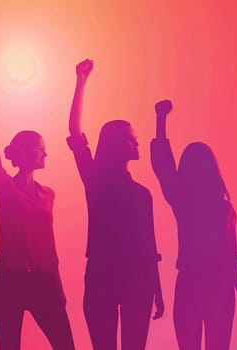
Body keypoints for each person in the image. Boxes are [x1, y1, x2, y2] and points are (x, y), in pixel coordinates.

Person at [67, 59, 164, 350]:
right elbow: (75, 132)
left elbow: (150, 246)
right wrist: (80, 82)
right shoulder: (95, 179)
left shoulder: (142, 193)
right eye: (133, 140)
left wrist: (157, 290)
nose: (137, 144)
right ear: (117, 143)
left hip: (132, 279)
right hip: (103, 276)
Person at [0, 73, 75, 350]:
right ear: (26, 152)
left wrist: (58, 287)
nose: (46, 154)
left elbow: (49, 247)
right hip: (10, 282)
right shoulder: (5, 187)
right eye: (41, 149)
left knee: (65, 345)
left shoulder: (48, 195)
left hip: (44, 282)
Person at [150, 99, 237, 349]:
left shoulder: (184, 203)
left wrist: (160, 118)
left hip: (192, 283)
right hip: (220, 287)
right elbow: (231, 256)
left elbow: (164, 168)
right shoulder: (223, 208)